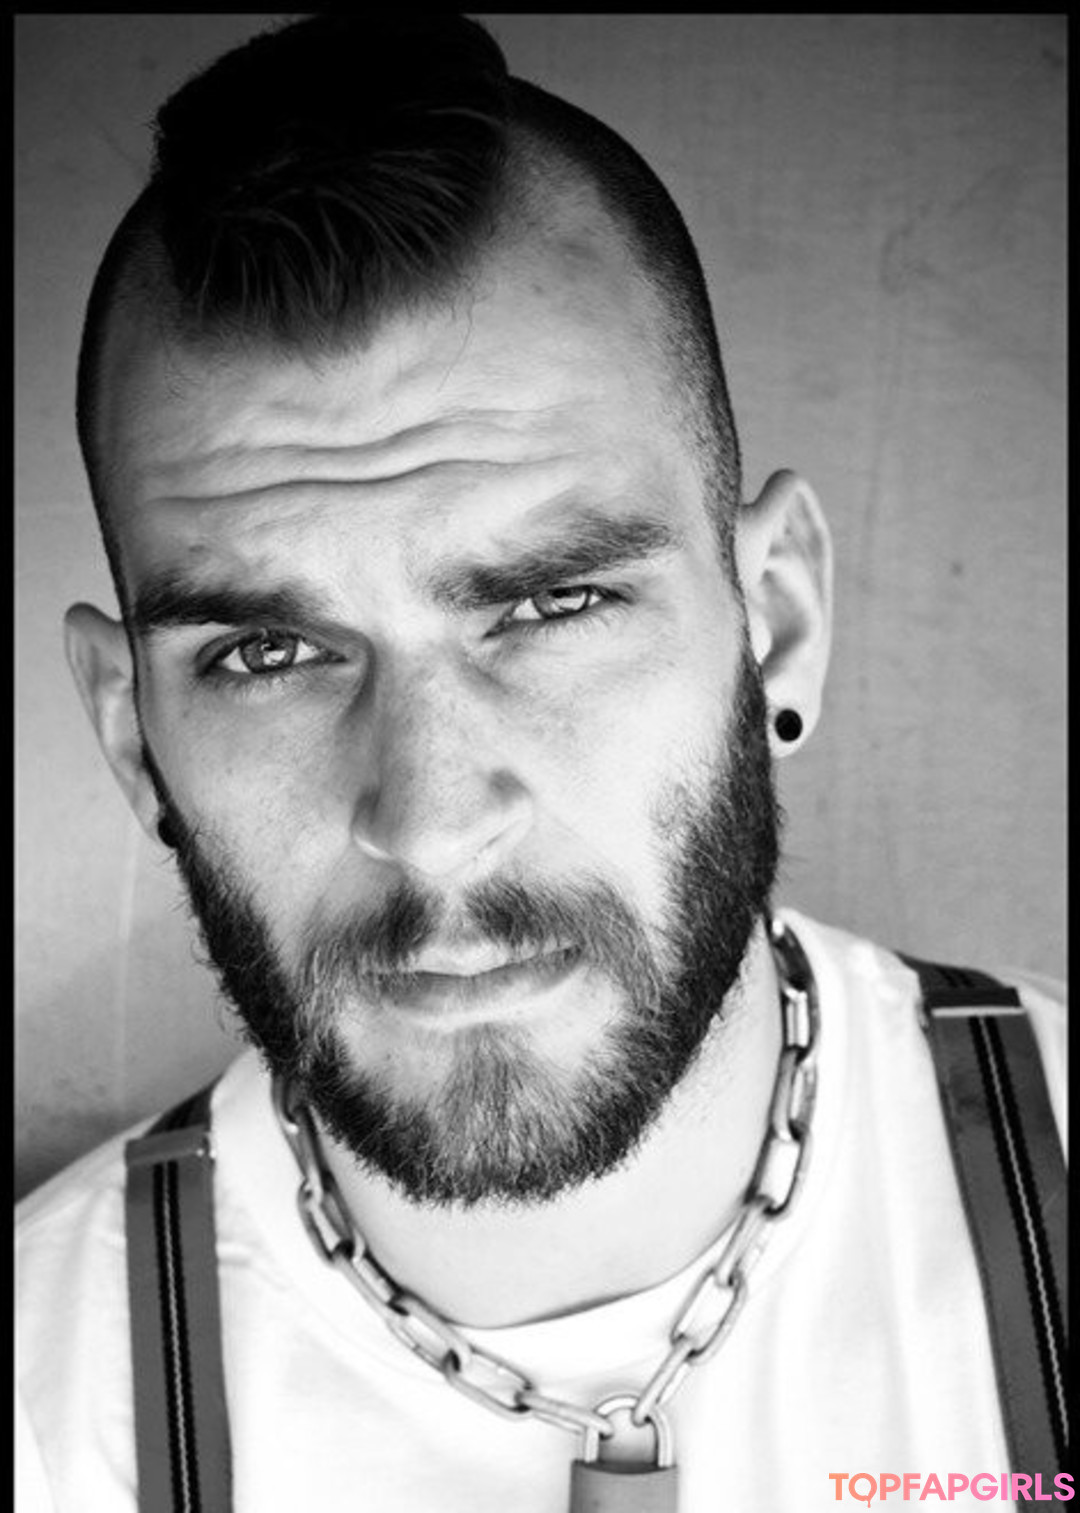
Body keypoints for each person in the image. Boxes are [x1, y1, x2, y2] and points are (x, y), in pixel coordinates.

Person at [16, 15, 1067, 1512]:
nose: (434, 821)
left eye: (552, 605)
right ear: (135, 735)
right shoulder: (45, 1414)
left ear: (776, 625)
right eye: (266, 653)